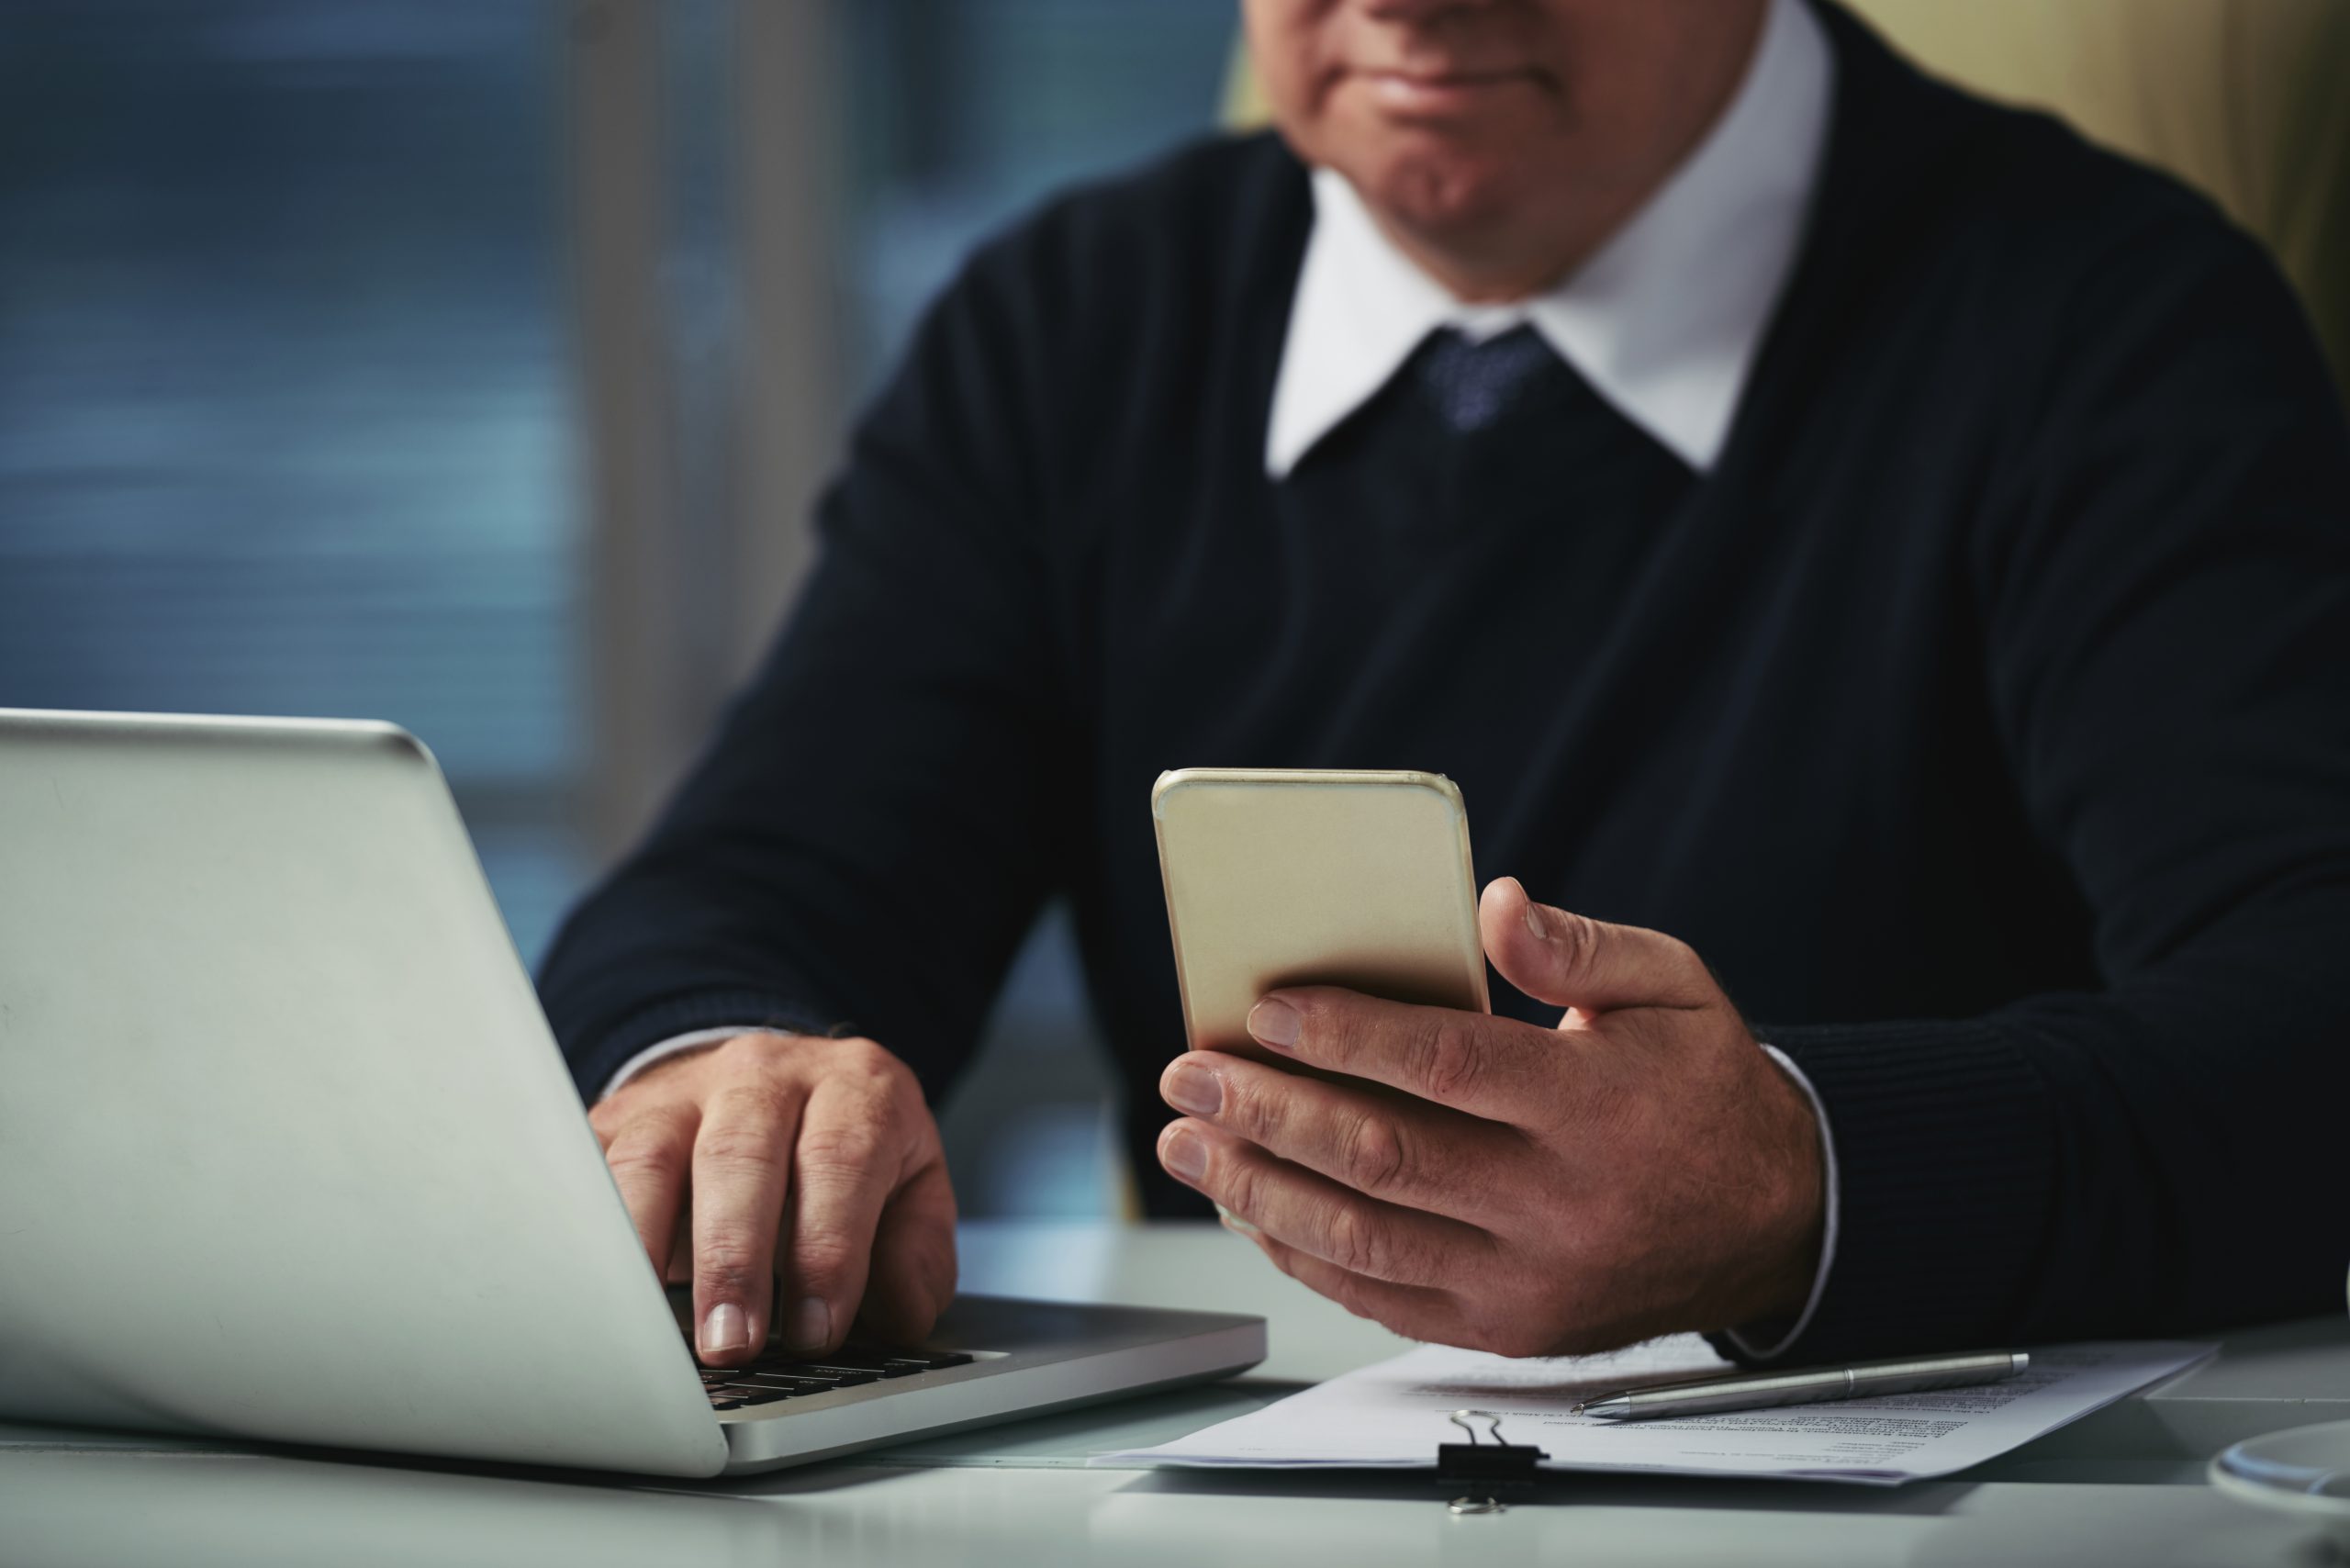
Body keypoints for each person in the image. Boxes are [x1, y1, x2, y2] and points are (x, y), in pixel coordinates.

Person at [538, 0, 2350, 1371]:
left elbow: (2308, 1003)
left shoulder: (2107, 320)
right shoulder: (1078, 321)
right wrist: (726, 1066)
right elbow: (747, 883)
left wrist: (1798, 1174)